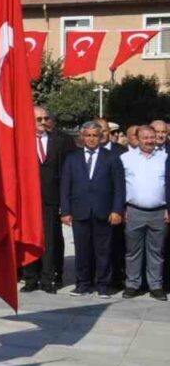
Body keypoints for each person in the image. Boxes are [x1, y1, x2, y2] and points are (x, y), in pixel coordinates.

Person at [61, 121, 125, 297]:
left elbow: (119, 187)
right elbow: (65, 186)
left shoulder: (111, 157)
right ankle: (83, 284)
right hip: (79, 211)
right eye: (88, 135)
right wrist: (65, 211)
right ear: (82, 137)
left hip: (104, 212)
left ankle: (103, 285)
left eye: (95, 135)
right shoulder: (72, 158)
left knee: (103, 251)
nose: (91, 139)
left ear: (101, 137)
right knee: (82, 250)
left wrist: (117, 210)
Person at [24, 105, 72, 293]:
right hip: (28, 200)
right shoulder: (20, 141)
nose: (44, 122)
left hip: (51, 199)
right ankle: (30, 279)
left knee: (50, 241)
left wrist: (64, 201)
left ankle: (47, 279)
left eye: (45, 118)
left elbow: (65, 174)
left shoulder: (58, 141)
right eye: (39, 119)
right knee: (28, 239)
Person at [120, 126, 169, 300]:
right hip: (134, 211)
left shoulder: (165, 158)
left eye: (152, 137)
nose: (149, 141)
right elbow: (120, 187)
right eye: (145, 137)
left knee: (156, 251)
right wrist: (121, 209)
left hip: (159, 213)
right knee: (132, 251)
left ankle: (155, 285)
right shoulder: (125, 158)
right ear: (137, 139)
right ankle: (133, 284)